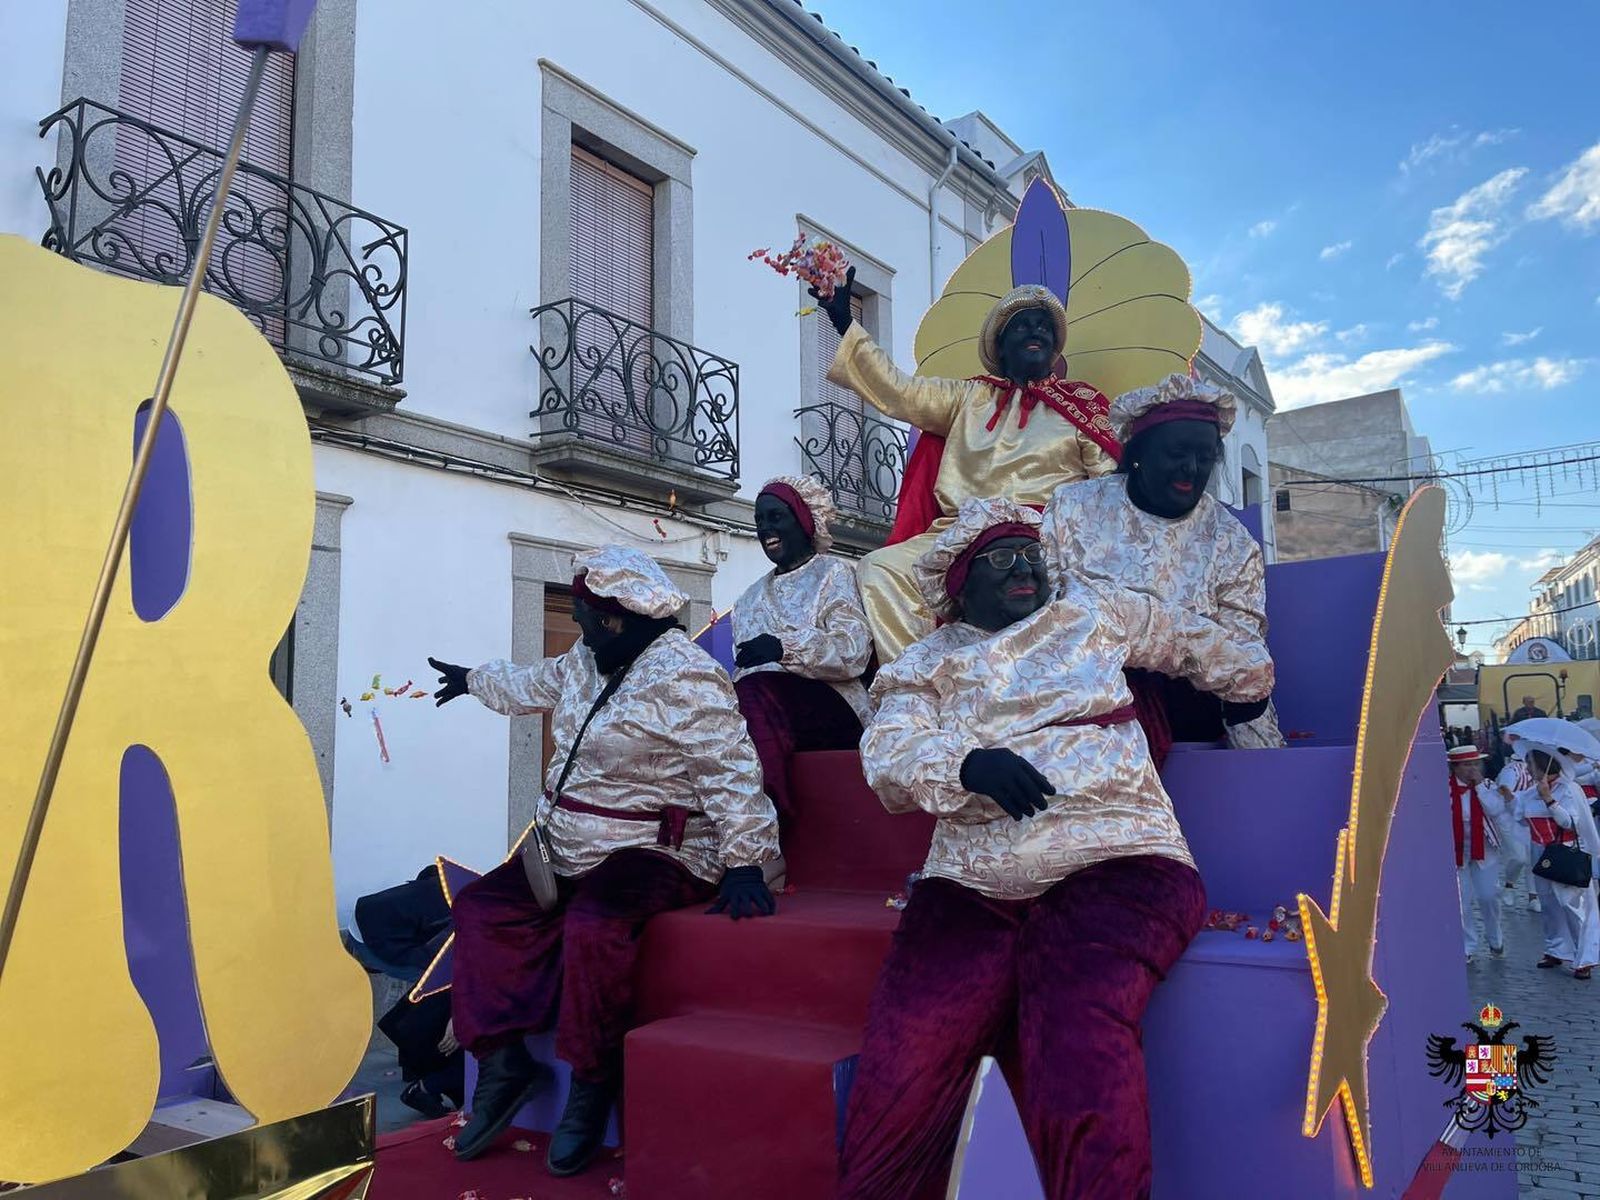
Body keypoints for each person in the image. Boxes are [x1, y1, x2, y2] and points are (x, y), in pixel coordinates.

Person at [837, 497, 1274, 1200]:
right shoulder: (921, 666)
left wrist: (1247, 687)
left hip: (1118, 857)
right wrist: (965, 766)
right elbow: (889, 751)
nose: (1025, 568)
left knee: (1075, 1019)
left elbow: (1190, 637)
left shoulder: (1092, 614)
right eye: (1001, 558)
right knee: (909, 1047)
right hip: (972, 882)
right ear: (960, 585)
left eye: (1031, 554)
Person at [427, 546, 781, 1176]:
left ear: (619, 619)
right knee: (481, 908)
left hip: (655, 849)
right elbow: (532, 683)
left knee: (595, 925)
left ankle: (591, 1082)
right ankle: (504, 1065)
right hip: (564, 842)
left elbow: (731, 772)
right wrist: (474, 679)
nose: (581, 628)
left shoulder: (686, 676)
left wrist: (748, 861)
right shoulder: (586, 659)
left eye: (588, 617)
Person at [811, 270, 1120, 662]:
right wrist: (843, 322)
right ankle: (920, 684)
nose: (1035, 331)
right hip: (962, 535)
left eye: (1044, 326)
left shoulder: (1082, 407)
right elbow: (901, 392)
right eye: (1022, 325)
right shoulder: (968, 396)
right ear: (1000, 345)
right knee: (879, 569)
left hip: (1044, 539)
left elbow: (1106, 486)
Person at [1040, 372, 1282, 767]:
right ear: (1138, 452)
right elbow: (1045, 608)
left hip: (1184, 702)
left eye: (1205, 458)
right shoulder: (1073, 506)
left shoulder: (1232, 543)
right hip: (1076, 686)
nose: (1191, 469)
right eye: (1177, 453)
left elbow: (1241, 654)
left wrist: (1266, 769)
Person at [731, 476, 873, 820]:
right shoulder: (747, 598)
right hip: (764, 703)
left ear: (805, 520)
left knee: (752, 694)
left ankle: (769, 822)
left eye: (775, 517)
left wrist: (784, 648)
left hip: (834, 705)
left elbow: (852, 651)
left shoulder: (835, 574)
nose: (766, 529)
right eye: (759, 521)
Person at [1509, 734, 1600, 979]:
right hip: (1541, 853)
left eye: (1530, 765)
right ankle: (1556, 949)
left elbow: (1571, 822)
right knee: (1549, 906)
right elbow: (1518, 817)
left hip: (1566, 850)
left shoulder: (1569, 789)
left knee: (1574, 906)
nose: (1527, 769)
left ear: (1542, 765)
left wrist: (1549, 799)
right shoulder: (1529, 793)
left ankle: (1585, 958)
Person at [1446, 745, 1504, 963]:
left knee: (1489, 897)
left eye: (1475, 764)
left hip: (1485, 851)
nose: (1472, 768)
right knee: (1462, 902)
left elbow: (1496, 810)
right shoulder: (1445, 789)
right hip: (1457, 851)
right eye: (1467, 764)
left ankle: (1495, 938)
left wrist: (1479, 786)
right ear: (1455, 768)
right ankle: (1467, 946)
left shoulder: (1487, 785)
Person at [1492, 733, 1536, 910]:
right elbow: (1504, 790)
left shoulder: (1534, 767)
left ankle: (1534, 896)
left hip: (1527, 817)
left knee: (1533, 857)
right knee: (1520, 857)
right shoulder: (1511, 770)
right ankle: (1509, 885)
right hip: (1508, 818)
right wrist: (1515, 802)